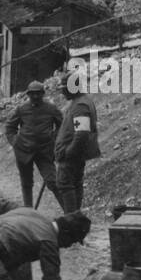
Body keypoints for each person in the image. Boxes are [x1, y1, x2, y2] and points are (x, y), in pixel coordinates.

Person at [4, 80, 64, 210]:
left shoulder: (51, 108)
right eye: (32, 94)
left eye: (38, 94)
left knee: (53, 181)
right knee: (26, 183)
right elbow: (10, 127)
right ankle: (28, 212)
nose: (35, 96)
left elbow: (62, 125)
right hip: (23, 152)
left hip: (45, 151)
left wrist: (54, 139)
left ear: (43, 94)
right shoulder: (22, 109)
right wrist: (15, 142)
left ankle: (69, 211)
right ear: (28, 94)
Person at [54, 70, 101, 212]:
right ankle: (74, 217)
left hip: (72, 156)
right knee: (73, 185)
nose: (62, 93)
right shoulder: (80, 102)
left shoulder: (81, 106)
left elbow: (81, 134)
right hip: (73, 154)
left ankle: (71, 218)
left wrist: (68, 152)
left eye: (64, 89)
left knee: (66, 185)